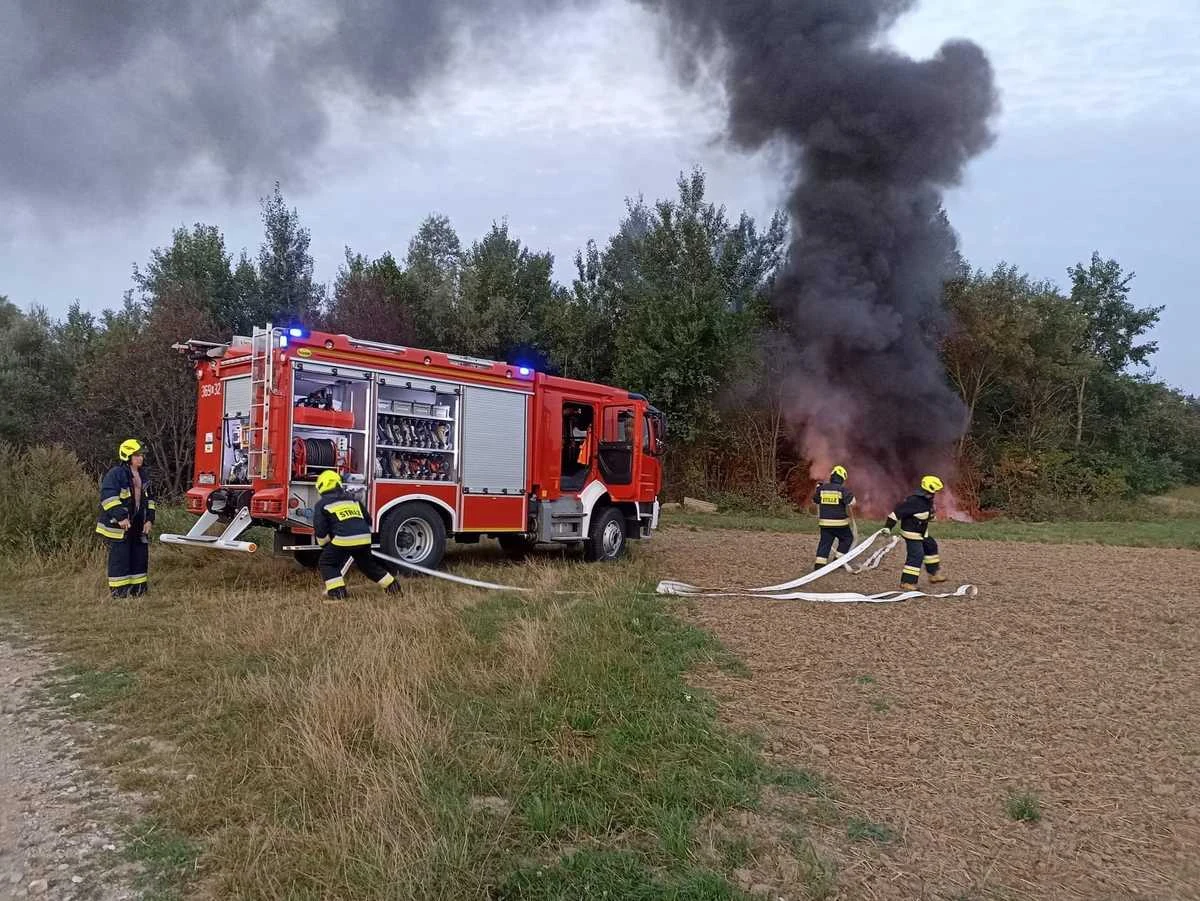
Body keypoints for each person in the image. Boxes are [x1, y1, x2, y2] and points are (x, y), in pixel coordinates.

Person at [312, 469, 401, 601]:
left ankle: (338, 595)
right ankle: (393, 587)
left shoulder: (322, 504)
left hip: (343, 540)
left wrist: (324, 545)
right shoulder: (353, 500)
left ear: (320, 487)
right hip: (364, 539)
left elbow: (320, 529)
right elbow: (368, 520)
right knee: (368, 566)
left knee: (327, 562)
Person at [95, 438, 156, 599]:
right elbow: (108, 497)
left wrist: (149, 519)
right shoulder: (116, 474)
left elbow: (150, 500)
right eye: (136, 455)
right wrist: (121, 517)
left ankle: (138, 590)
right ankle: (120, 593)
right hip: (118, 525)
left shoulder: (143, 475)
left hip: (138, 524)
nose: (140, 458)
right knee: (120, 559)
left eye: (141, 455)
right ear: (127, 456)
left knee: (139, 557)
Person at [884, 475, 948, 590]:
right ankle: (907, 582)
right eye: (934, 491)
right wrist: (888, 527)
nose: (935, 494)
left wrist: (930, 516)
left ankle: (933, 574)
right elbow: (895, 514)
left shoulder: (927, 500)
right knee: (916, 555)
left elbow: (925, 512)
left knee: (931, 546)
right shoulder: (913, 501)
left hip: (922, 531)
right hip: (911, 532)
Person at [812, 465, 856, 570]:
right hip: (840, 523)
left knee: (825, 542)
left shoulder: (822, 488)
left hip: (825, 523)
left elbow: (815, 500)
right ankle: (838, 561)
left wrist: (818, 489)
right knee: (847, 538)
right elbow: (852, 502)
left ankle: (819, 565)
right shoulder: (842, 490)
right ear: (842, 479)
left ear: (832, 476)